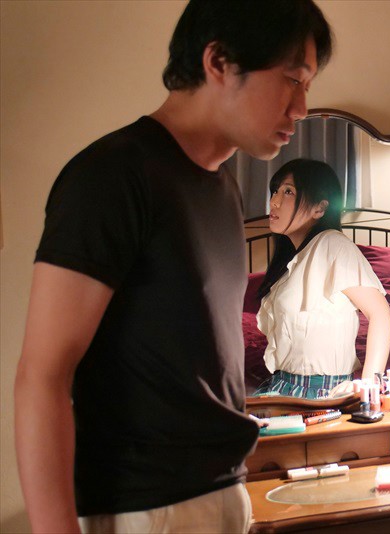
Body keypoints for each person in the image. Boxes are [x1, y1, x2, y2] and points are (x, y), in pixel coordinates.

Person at [14, 1, 332, 533]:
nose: (301, 108)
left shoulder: (224, 189)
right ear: (219, 62)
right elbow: (42, 376)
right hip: (145, 506)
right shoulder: (113, 175)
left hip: (223, 490)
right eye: (292, 80)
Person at [254, 158, 390, 399]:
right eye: (275, 191)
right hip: (283, 387)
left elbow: (380, 313)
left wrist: (368, 384)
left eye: (288, 192)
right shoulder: (292, 263)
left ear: (319, 208)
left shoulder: (332, 244)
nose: (274, 201)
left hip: (319, 391)